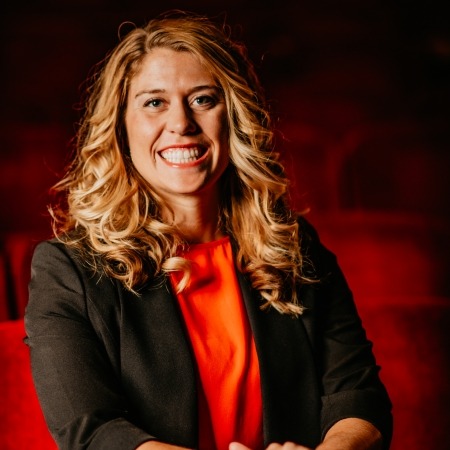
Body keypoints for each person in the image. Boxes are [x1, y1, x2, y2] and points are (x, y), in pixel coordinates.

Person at [25, 12, 393, 450]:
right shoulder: (67, 270)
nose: (182, 123)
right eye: (154, 102)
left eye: (202, 99)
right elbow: (91, 431)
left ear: (233, 115)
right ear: (122, 127)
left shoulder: (294, 246)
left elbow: (359, 397)